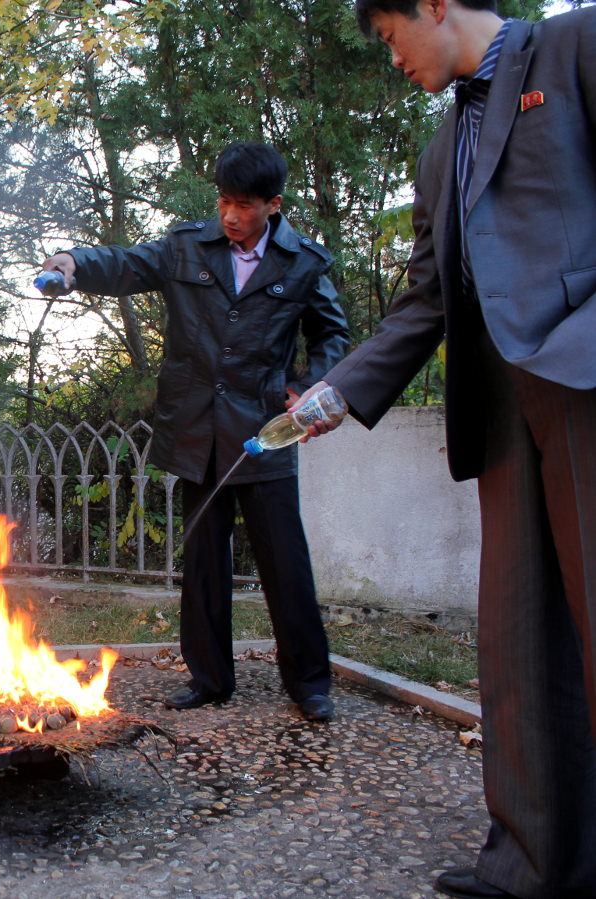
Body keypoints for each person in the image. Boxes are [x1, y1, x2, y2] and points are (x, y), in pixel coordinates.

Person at [293, 1, 596, 896]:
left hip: (584, 384)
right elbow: (426, 299)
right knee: (517, 640)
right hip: (499, 405)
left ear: (432, 5)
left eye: (390, 37)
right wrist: (340, 388)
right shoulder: (440, 145)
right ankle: (532, 863)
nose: (391, 59)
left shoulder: (576, 45)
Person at [41, 141, 349, 723]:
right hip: (195, 433)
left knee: (285, 562)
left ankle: (309, 684)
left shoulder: (304, 263)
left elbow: (332, 334)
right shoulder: (188, 246)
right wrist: (73, 262)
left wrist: (314, 384)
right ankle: (209, 678)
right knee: (204, 561)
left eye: (245, 205)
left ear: (272, 205)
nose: (231, 216)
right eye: (224, 202)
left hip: (266, 434)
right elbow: (129, 263)